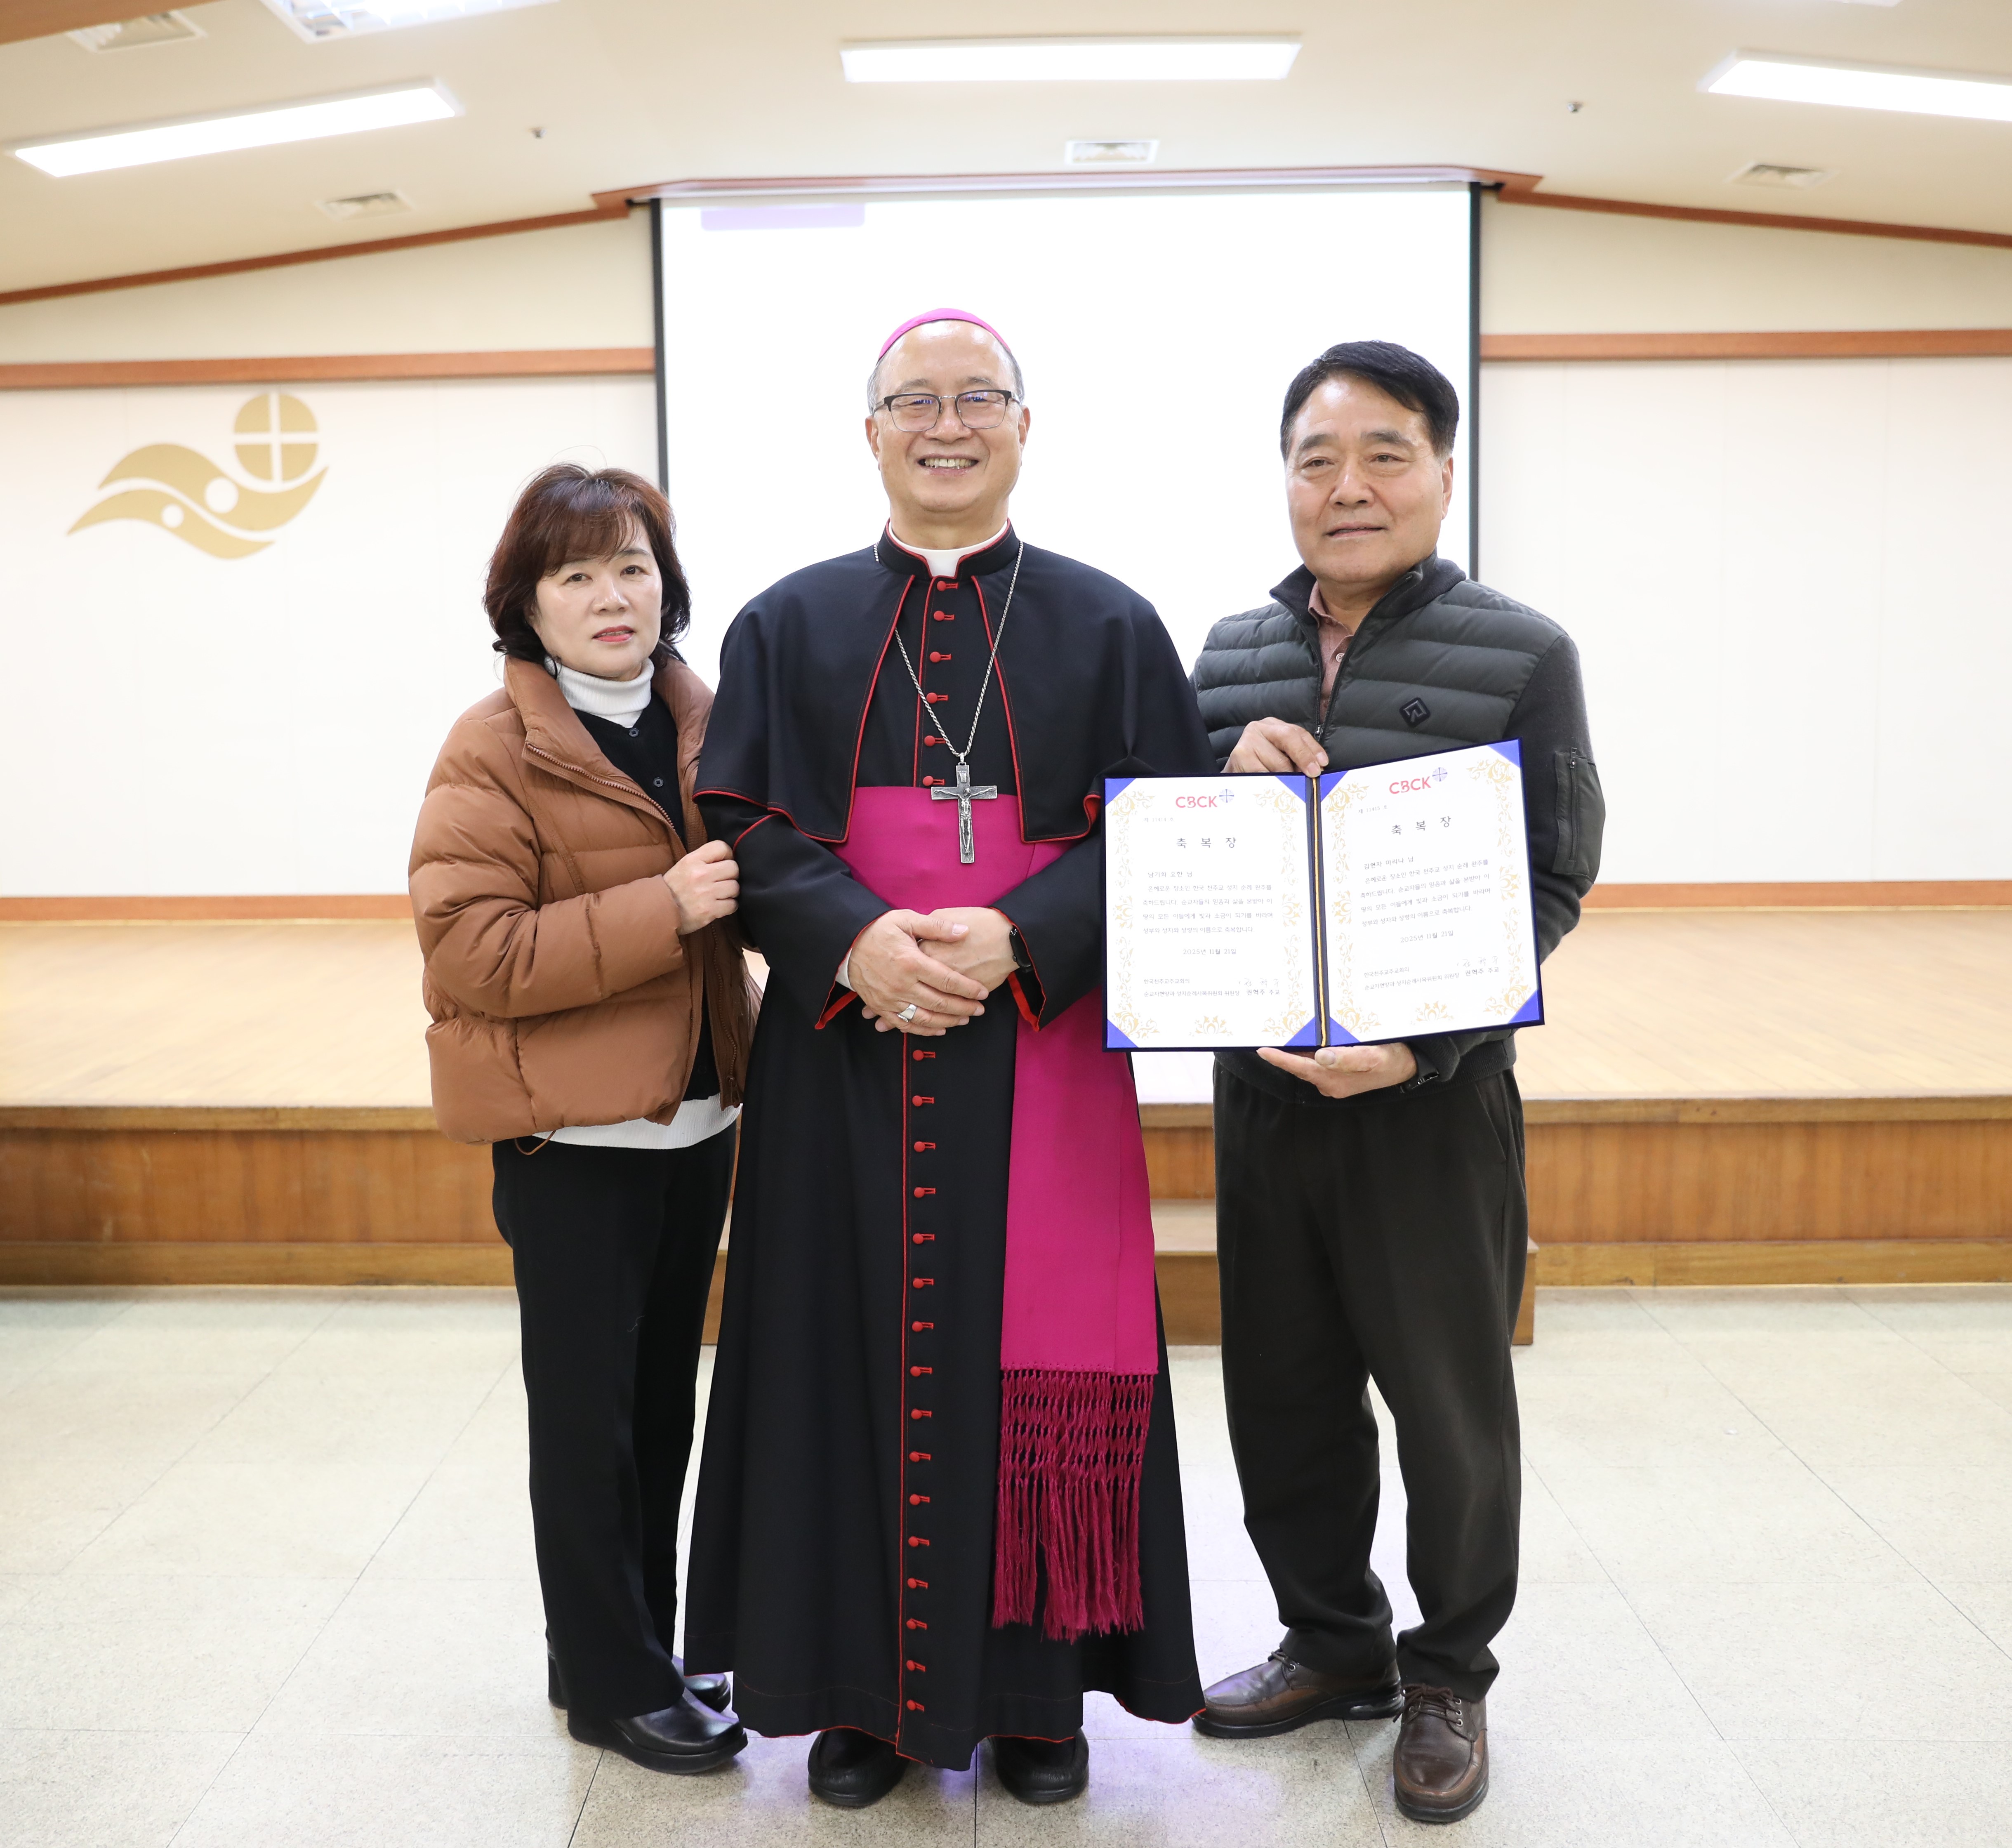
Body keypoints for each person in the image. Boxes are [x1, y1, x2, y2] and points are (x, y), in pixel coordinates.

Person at [684, 309, 1210, 1807]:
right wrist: (855, 942)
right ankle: (858, 1695)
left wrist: (1023, 936)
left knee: (1029, 1360)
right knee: (835, 1349)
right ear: (871, 436)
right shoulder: (786, 625)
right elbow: (745, 821)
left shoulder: (1111, 624)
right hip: (847, 1047)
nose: (947, 422)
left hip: (1031, 1046)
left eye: (980, 396)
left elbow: (1165, 831)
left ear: (1024, 428)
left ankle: (1041, 1697)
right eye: (914, 400)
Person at [1187, 342, 1603, 1824]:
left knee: (1447, 1401)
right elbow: (1175, 857)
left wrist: (1427, 1048)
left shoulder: (1519, 650)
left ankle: (1447, 1675)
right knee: (1281, 1390)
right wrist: (1217, 772)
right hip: (1268, 1094)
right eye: (1316, 457)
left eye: (1383, 453)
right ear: (1287, 479)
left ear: (1441, 468)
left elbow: (1555, 875)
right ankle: (1332, 1642)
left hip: (1432, 1102)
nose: (1346, 486)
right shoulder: (1228, 651)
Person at [409, 464, 759, 1776]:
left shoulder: (703, 717)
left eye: (631, 566)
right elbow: (473, 955)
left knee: (661, 1407)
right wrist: (663, 909)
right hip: (572, 1144)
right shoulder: (489, 749)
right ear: (526, 605)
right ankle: (609, 1684)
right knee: (588, 1424)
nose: (612, 596)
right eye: (576, 574)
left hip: (695, 1126)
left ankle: (642, 1643)